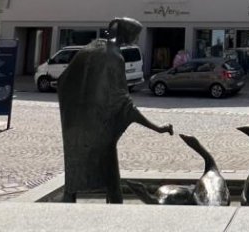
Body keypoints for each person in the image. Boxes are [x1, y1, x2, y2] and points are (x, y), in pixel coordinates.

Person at [57, 17, 174, 203]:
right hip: (100, 131)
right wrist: (157, 127)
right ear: (127, 34)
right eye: (136, 35)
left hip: (76, 124)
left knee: (75, 173)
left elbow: (64, 80)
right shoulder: (114, 57)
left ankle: (67, 204)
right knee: (111, 176)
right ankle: (116, 210)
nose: (136, 40)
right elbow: (124, 104)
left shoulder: (92, 48)